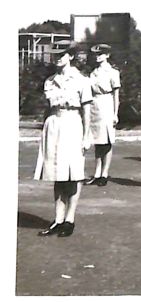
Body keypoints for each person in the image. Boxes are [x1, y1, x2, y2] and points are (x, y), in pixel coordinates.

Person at [35, 42, 93, 237]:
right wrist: (44, 131)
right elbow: (48, 108)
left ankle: (70, 219)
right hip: (54, 124)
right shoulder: (50, 81)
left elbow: (86, 110)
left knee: (74, 174)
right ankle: (58, 219)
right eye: (55, 55)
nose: (58, 58)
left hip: (72, 124)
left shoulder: (81, 80)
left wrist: (86, 136)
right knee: (57, 173)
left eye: (62, 54)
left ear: (70, 56)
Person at [85, 44, 120, 187]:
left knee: (107, 141)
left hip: (106, 104)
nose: (98, 56)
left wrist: (115, 113)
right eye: (96, 54)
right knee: (98, 141)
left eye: (102, 53)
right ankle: (97, 173)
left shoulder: (112, 72)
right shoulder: (93, 72)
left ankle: (104, 173)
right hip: (94, 106)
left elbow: (116, 95)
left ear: (107, 55)